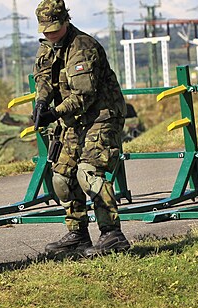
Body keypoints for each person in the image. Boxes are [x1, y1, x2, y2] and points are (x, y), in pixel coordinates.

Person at [32, 0, 131, 256]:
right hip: (74, 121)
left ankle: (112, 235)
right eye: (46, 30)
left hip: (100, 116)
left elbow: (83, 96)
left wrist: (53, 113)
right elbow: (43, 77)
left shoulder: (83, 47)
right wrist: (41, 102)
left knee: (88, 172)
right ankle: (78, 234)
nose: (50, 34)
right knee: (62, 176)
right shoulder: (48, 47)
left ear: (66, 21)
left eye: (54, 28)